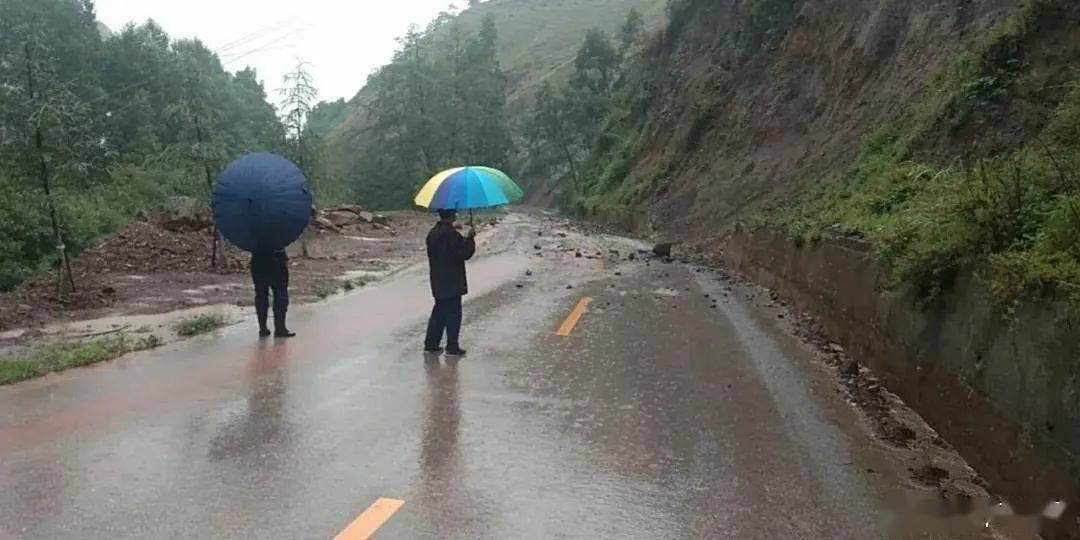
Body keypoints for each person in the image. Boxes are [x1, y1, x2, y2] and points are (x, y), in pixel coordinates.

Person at [424, 209, 476, 356]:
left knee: (439, 312)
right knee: (453, 313)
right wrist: (470, 239)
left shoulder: (432, 233)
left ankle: (431, 344)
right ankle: (452, 346)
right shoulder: (451, 235)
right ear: (452, 215)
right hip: (452, 280)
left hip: (437, 279)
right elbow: (463, 254)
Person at [251, 249, 295, 338]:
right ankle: (280, 328)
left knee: (261, 294)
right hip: (277, 257)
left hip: (258, 258)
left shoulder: (253, 235)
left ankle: (263, 329)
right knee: (280, 293)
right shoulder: (278, 235)